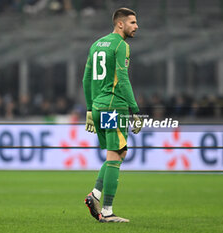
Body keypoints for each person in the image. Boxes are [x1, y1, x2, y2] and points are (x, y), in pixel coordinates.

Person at [82, 7, 141, 223]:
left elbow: (86, 80)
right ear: (120, 24)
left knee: (119, 153)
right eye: (132, 22)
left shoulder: (96, 44)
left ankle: (95, 195)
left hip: (98, 107)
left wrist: (89, 109)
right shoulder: (121, 46)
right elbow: (123, 79)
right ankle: (106, 210)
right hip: (114, 106)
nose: (136, 26)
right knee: (115, 156)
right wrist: (135, 110)